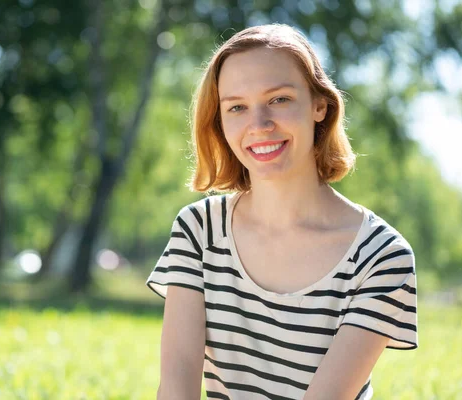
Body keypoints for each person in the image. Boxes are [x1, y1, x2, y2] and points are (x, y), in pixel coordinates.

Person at [146, 23, 417, 400]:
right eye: (237, 107)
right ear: (221, 122)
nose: (259, 125)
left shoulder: (382, 257)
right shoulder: (198, 230)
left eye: (279, 99)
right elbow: (177, 386)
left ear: (319, 106)